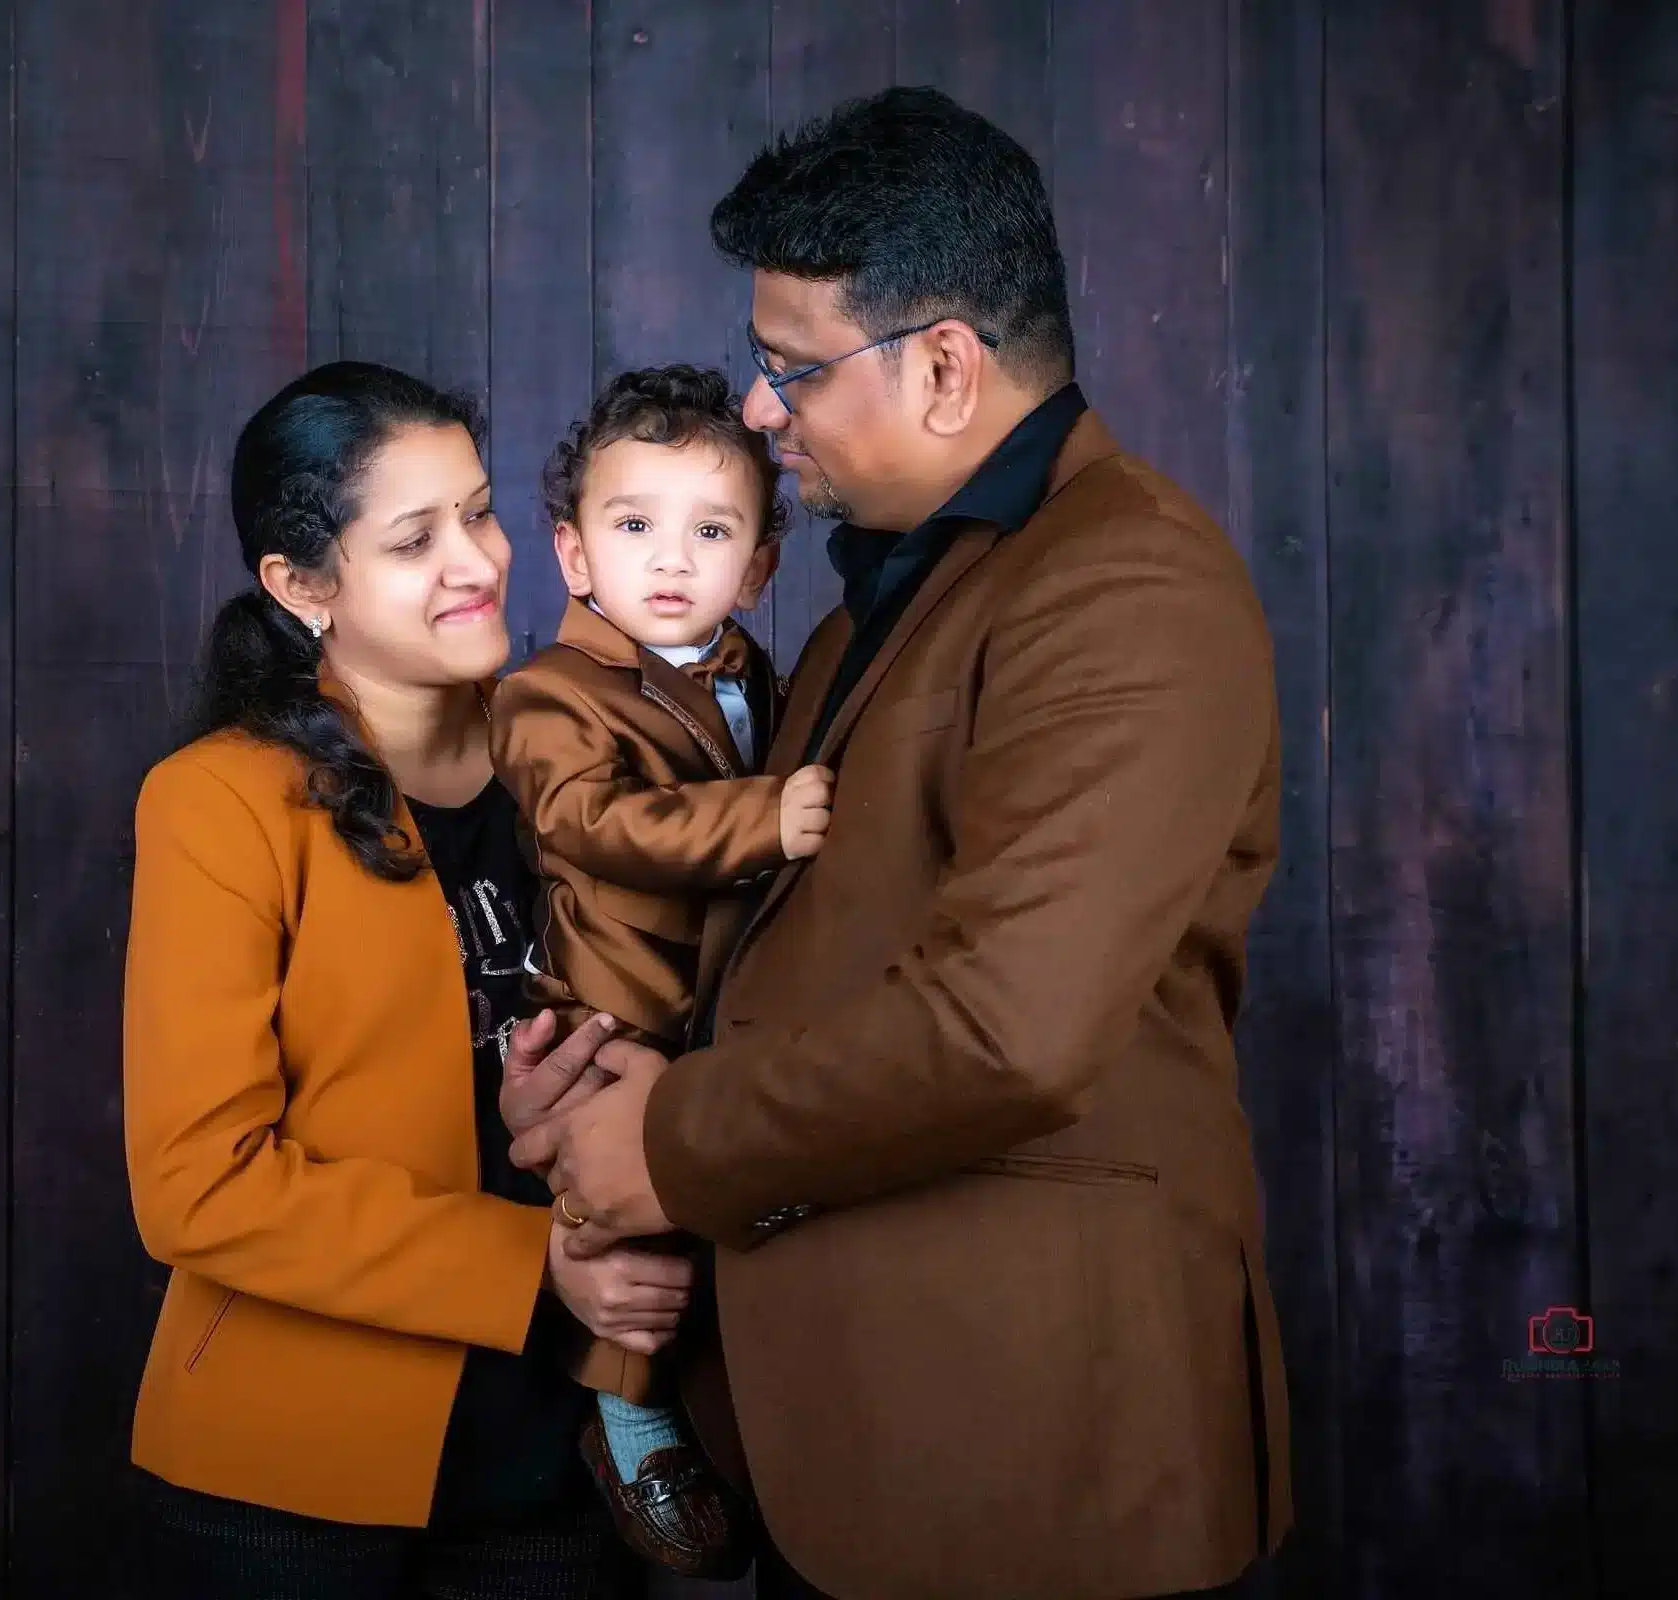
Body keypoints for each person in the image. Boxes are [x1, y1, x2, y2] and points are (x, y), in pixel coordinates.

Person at [502, 87, 1294, 1600]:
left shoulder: (1126, 582)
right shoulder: (877, 602)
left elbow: (1006, 1029)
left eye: (790, 369)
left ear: (942, 368)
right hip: (855, 1440)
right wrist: (594, 1085)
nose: (758, 410)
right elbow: (793, 944)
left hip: (1029, 1455)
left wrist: (662, 1144)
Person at [121, 360, 678, 1598]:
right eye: (415, 540)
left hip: (563, 1453)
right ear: (301, 585)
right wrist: (533, 1263)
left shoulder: (583, 758)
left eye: (478, 513)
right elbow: (197, 1187)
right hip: (286, 1475)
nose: (476, 562)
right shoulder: (217, 800)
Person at [489, 365, 833, 1577]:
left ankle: (720, 1415)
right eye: (634, 526)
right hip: (614, 1005)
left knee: (730, 1207)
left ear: (759, 567)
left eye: (712, 531)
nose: (672, 558)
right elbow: (592, 822)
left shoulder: (757, 675)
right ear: (575, 555)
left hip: (725, 1011)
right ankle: (627, 1417)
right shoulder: (546, 693)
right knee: (626, 1221)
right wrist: (765, 818)